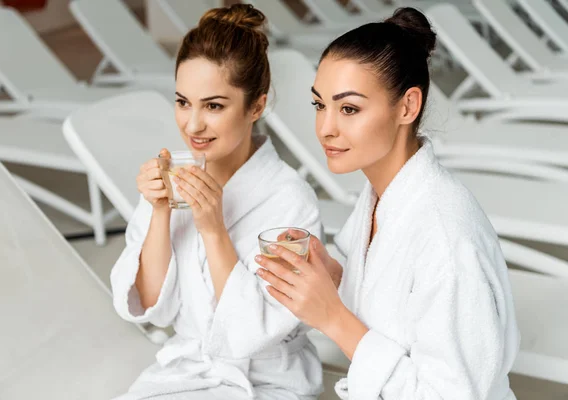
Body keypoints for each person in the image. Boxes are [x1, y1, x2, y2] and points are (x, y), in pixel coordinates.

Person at [256, 7, 520, 400]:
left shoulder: (446, 240)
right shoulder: (382, 196)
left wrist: (334, 317)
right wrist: (335, 278)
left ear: (407, 107)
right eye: (319, 105)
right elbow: (395, 306)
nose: (326, 127)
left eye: (349, 109)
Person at [110, 5, 323, 400]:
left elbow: (252, 331)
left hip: (270, 381)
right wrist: (159, 212)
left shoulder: (290, 201)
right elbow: (152, 305)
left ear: (256, 107)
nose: (192, 125)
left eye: (214, 106)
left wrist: (212, 227)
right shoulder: (175, 178)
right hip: (186, 371)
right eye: (182, 102)